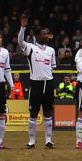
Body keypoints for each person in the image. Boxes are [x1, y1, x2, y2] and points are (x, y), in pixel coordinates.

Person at [17, 16, 59, 149]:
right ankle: (31, 141)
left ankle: (48, 140)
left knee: (48, 114)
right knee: (33, 114)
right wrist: (23, 27)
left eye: (47, 33)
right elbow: (20, 42)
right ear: (37, 36)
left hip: (49, 83)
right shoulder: (30, 48)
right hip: (36, 84)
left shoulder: (51, 51)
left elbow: (52, 67)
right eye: (44, 34)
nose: (46, 36)